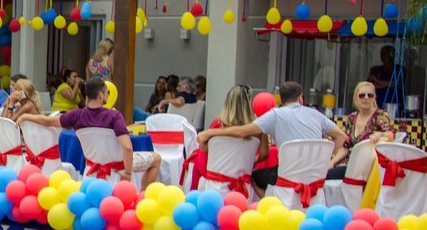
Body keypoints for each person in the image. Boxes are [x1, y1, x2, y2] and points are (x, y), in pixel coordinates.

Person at [198, 81, 346, 194]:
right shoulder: (316, 114)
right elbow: (341, 136)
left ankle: (270, 206)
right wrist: (328, 161)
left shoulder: (276, 114)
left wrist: (210, 133)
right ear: (301, 98)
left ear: (280, 99)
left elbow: (243, 132)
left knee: (257, 177)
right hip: (315, 176)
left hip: (288, 176)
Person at [18, 77, 160, 187]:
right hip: (117, 167)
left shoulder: (77, 115)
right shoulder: (114, 116)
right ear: (100, 95)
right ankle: (141, 196)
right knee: (156, 158)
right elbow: (127, 147)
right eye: (107, 92)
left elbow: (48, 121)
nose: (108, 95)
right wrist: (127, 173)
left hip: (92, 167)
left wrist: (25, 116)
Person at [186, 85, 269, 189]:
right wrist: (249, 162)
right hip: (243, 187)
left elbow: (204, 161)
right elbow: (264, 153)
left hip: (215, 186)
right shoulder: (258, 128)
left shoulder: (217, 124)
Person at [334, 81, 396, 176]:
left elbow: (391, 134)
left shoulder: (380, 116)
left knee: (329, 176)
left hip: (368, 168)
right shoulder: (352, 118)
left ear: (374, 98)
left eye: (370, 95)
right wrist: (332, 163)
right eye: (362, 95)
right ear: (356, 98)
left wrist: (380, 134)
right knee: (325, 173)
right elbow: (346, 146)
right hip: (350, 165)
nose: (366, 98)